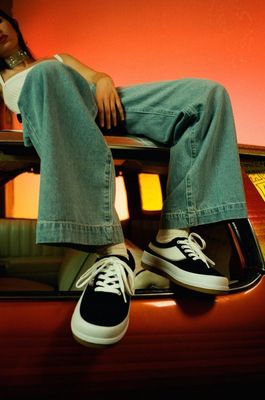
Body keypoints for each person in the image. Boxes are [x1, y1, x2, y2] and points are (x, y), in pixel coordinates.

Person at [0, 10, 248, 346]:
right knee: (48, 76)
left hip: (99, 105)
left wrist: (103, 82)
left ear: (12, 24)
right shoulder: (26, 76)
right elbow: (49, 91)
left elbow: (96, 76)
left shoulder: (57, 59)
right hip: (55, 112)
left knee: (206, 96)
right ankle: (114, 253)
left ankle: (173, 237)